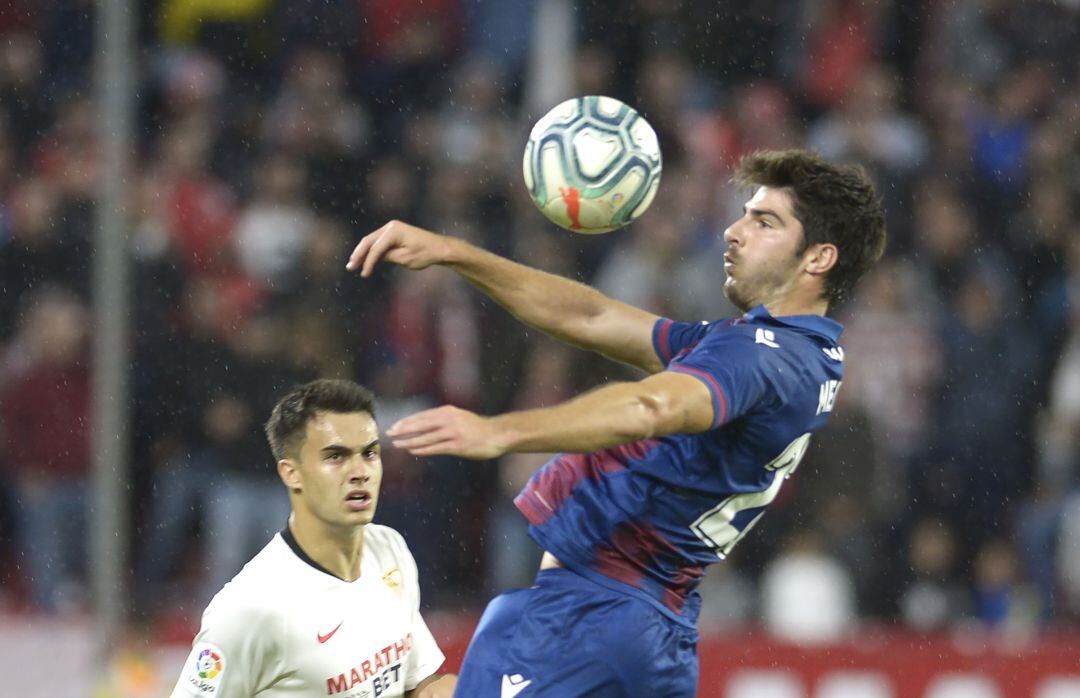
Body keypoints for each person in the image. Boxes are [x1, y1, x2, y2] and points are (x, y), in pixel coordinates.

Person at [347, 149, 887, 697]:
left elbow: (652, 407)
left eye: (764, 221)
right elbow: (593, 316)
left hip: (594, 614)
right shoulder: (793, 352)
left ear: (818, 258)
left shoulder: (759, 356)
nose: (733, 231)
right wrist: (458, 255)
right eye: (744, 213)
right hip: (639, 622)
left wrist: (500, 432)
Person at [170, 379, 457, 697]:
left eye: (370, 453)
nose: (360, 471)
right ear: (291, 473)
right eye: (336, 457)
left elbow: (416, 682)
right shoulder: (248, 609)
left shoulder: (389, 549)